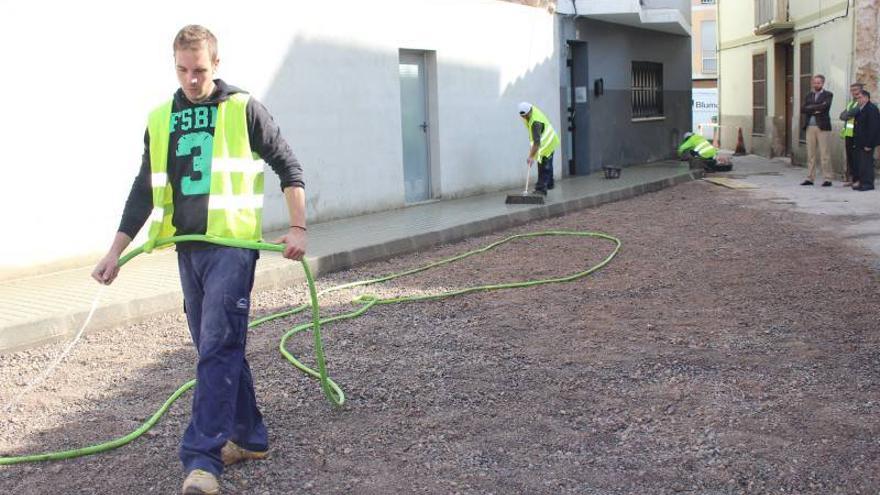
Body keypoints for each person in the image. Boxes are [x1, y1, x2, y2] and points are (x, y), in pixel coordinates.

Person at [90, 25, 307, 494]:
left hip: (232, 247)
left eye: (200, 70)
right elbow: (143, 189)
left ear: (217, 65)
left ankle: (203, 460)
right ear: (175, 66)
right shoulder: (161, 117)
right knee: (217, 347)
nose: (191, 79)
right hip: (188, 248)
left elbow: (288, 165)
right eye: (183, 70)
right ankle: (249, 437)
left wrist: (298, 228)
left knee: (217, 346)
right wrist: (115, 252)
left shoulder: (243, 109)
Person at [518, 102, 560, 195]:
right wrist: (531, 155)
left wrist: (531, 157)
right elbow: (534, 140)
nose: (524, 118)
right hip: (545, 140)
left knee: (544, 165)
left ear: (529, 111)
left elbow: (536, 143)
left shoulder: (536, 122)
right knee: (547, 163)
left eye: (525, 115)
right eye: (522, 116)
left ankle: (541, 189)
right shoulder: (528, 113)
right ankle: (549, 183)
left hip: (548, 142)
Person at [800, 74, 834, 187]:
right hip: (810, 127)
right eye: (815, 82)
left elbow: (825, 106)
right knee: (811, 154)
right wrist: (816, 108)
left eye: (818, 83)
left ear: (823, 83)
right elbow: (803, 109)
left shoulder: (828, 94)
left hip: (823, 127)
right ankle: (810, 178)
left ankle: (827, 178)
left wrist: (811, 108)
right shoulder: (808, 95)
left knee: (825, 154)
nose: (816, 84)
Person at [851, 89, 880, 192]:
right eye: (857, 98)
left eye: (860, 97)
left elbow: (874, 128)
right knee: (861, 163)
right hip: (859, 141)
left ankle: (868, 183)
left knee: (867, 163)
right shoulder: (860, 108)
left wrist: (869, 144)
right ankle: (862, 182)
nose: (858, 99)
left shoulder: (871, 109)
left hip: (867, 142)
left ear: (866, 98)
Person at [839, 82, 865, 187]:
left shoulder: (861, 102)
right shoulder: (851, 103)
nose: (853, 92)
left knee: (858, 158)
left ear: (861, 90)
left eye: (855, 90)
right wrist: (847, 114)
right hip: (849, 134)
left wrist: (848, 114)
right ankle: (853, 179)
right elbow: (842, 116)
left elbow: (852, 113)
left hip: (857, 134)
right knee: (850, 157)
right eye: (852, 90)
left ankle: (859, 179)